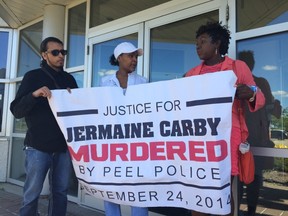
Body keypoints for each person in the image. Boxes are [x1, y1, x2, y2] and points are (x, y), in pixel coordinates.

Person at [184, 22, 265, 216]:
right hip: (199, 142)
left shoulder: (237, 68)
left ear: (217, 43)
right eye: (196, 42)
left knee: (224, 194)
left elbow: (259, 96)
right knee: (199, 193)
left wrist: (250, 93)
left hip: (226, 141)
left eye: (203, 41)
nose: (198, 46)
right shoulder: (191, 74)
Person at [10, 37, 78, 216]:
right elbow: (17, 110)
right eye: (55, 52)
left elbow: (79, 111)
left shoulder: (69, 79)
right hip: (37, 146)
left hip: (63, 147)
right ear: (44, 55)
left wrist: (74, 99)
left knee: (61, 192)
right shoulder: (32, 77)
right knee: (32, 193)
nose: (60, 56)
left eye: (63, 52)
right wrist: (34, 94)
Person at [100, 41, 148, 216]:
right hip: (112, 143)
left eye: (136, 56)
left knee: (139, 186)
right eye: (130, 56)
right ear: (119, 58)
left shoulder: (143, 81)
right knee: (112, 186)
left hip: (137, 142)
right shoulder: (104, 82)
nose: (134, 60)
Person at [238, 50, 281, 216]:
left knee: (254, 178)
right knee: (238, 179)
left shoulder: (261, 82)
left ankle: (250, 212)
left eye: (249, 61)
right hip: (236, 138)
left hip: (255, 139)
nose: (247, 64)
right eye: (244, 61)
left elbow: (272, 109)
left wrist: (275, 105)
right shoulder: (230, 82)